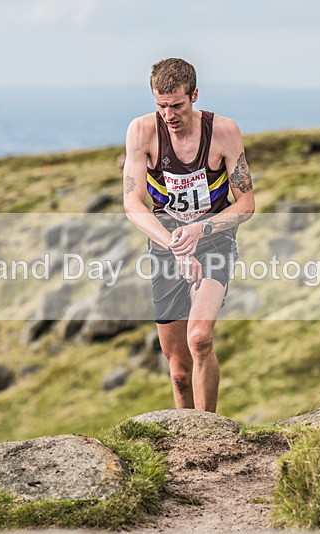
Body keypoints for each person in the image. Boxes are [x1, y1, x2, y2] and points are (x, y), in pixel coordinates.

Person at [122, 58, 255, 412]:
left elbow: (247, 203)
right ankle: (186, 446)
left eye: (177, 105)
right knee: (179, 371)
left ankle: (209, 435)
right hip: (167, 244)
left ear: (194, 95)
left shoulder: (224, 131)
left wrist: (202, 227)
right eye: (161, 106)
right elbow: (132, 204)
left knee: (199, 339)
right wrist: (175, 245)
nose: (169, 114)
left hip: (214, 239)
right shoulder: (141, 131)